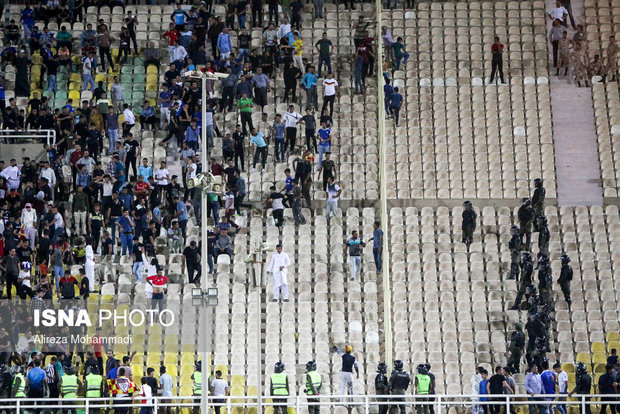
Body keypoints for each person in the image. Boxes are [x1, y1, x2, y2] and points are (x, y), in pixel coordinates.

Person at [330, 337, 359, 403]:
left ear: (346, 351)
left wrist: (332, 342)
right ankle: (352, 401)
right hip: (350, 374)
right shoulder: (353, 358)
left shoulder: (343, 355)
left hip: (344, 374)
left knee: (343, 388)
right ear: (350, 351)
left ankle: (341, 401)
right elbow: (356, 366)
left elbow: (337, 350)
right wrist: (358, 374)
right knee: (351, 389)